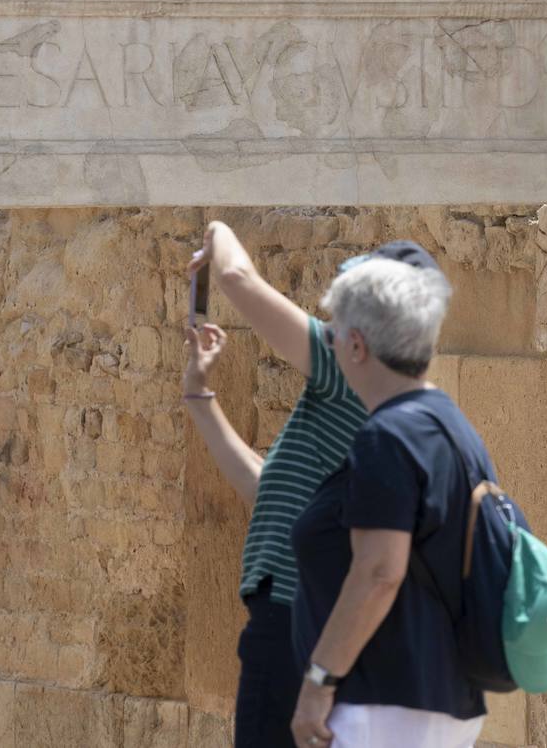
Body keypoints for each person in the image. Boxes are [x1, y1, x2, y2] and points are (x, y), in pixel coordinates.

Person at [182, 224, 431, 747]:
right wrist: (200, 398)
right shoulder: (404, 405)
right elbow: (266, 494)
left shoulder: (350, 367)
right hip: (322, 632)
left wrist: (219, 230)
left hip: (290, 626)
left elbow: (235, 275)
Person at [288, 253, 492, 748]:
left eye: (333, 333)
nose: (330, 343)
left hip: (383, 708)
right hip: (436, 701)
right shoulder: (448, 425)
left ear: (357, 345)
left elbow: (380, 571)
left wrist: (318, 682)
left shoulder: (387, 436)